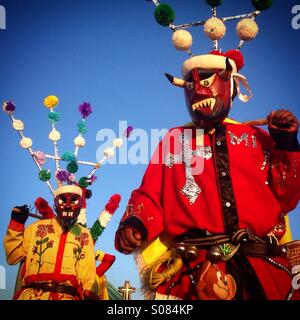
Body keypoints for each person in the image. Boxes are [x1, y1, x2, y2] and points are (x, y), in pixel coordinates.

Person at [114, 50, 300, 300]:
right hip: (195, 272)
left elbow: (286, 198)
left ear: (230, 86)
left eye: (205, 81)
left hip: (264, 268)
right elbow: (151, 194)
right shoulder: (174, 140)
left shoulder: (258, 139)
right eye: (190, 85)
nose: (198, 92)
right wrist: (135, 223)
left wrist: (287, 145)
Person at [3, 185, 99, 300]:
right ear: (55, 204)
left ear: (80, 205)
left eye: (73, 201)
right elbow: (13, 257)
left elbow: (88, 270)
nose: (68, 206)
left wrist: (90, 293)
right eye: (63, 201)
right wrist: (16, 224)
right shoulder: (36, 228)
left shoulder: (83, 234)